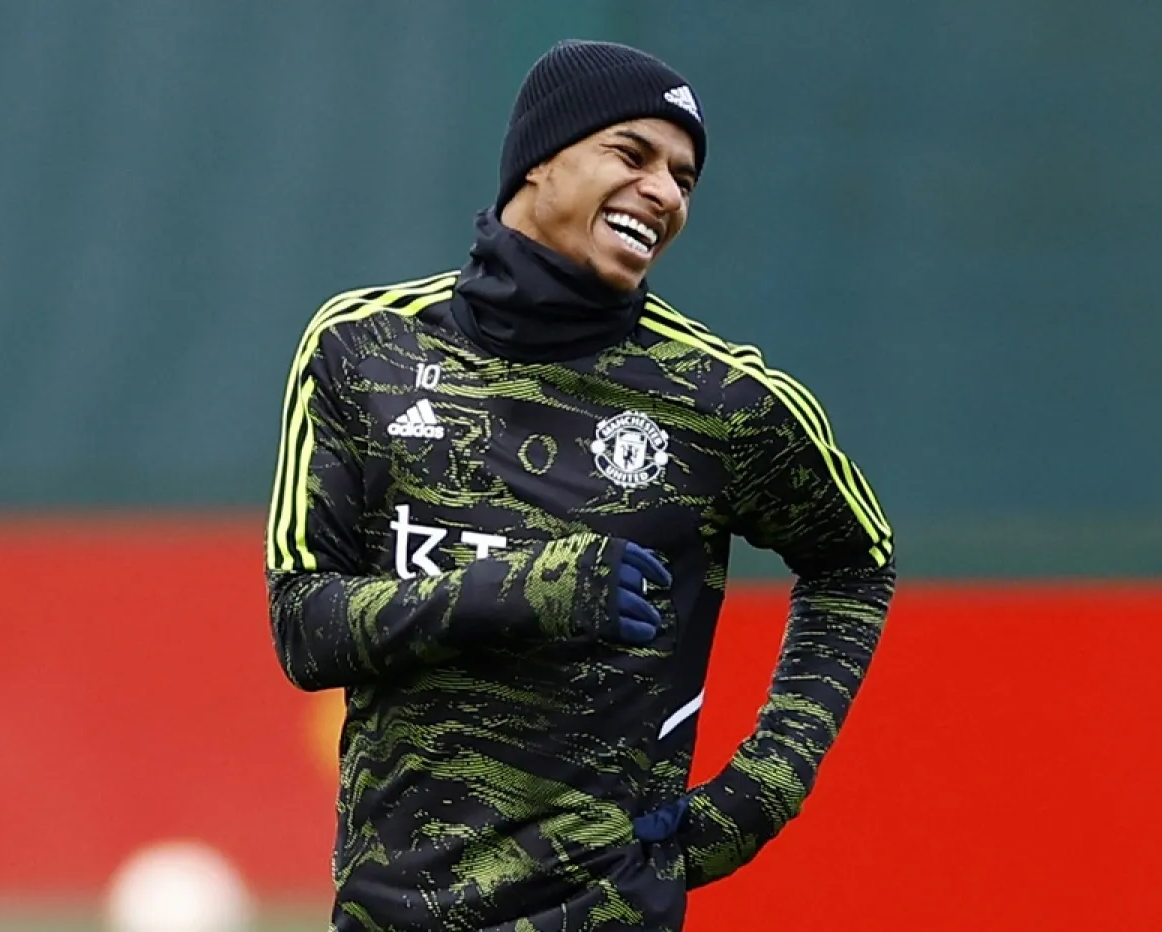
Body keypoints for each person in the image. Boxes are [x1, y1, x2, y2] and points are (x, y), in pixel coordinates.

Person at [264, 38, 896, 932]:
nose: (665, 192)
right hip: (390, 912)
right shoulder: (364, 348)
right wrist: (527, 589)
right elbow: (306, 628)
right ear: (539, 161)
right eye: (631, 155)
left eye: (684, 177)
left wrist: (765, 788)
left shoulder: (723, 400)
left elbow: (854, 564)